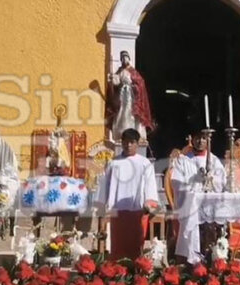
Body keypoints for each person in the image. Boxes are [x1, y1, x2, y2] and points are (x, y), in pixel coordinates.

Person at [94, 128, 159, 260]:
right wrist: (101, 206)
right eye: (126, 142)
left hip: (138, 211)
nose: (128, 145)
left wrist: (149, 202)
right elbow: (104, 186)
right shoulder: (113, 163)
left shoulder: (144, 163)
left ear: (138, 143)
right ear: (121, 143)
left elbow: (150, 186)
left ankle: (136, 274)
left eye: (132, 142)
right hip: (117, 211)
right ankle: (117, 273)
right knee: (118, 246)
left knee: (135, 247)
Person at [171, 130, 226, 264]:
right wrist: (194, 185)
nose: (200, 141)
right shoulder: (183, 161)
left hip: (210, 205)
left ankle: (213, 259)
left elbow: (222, 181)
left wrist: (211, 180)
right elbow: (177, 183)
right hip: (191, 205)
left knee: (212, 231)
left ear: (208, 140)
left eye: (203, 138)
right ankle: (190, 262)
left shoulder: (214, 160)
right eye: (197, 138)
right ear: (191, 139)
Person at [106, 51, 154, 141]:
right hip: (122, 96)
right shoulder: (120, 71)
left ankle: (135, 134)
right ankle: (121, 133)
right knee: (121, 113)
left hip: (131, 97)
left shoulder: (133, 72)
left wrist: (134, 87)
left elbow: (140, 83)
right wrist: (112, 79)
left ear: (128, 59)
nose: (124, 60)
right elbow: (116, 82)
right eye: (122, 58)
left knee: (132, 115)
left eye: (125, 58)